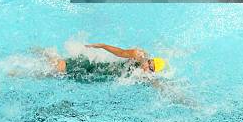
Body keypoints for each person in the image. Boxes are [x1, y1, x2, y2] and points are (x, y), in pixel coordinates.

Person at [32, 43, 166, 82]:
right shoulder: (139, 56)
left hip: (95, 77)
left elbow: (157, 85)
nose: (147, 66)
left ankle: (26, 72)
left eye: (151, 68)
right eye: (150, 62)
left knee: (53, 75)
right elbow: (120, 52)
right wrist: (102, 46)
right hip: (93, 67)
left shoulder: (144, 76)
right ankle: (39, 50)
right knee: (58, 68)